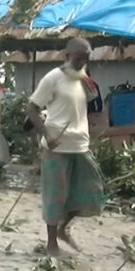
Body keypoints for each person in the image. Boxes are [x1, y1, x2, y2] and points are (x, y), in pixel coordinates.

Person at [26, 37, 105, 257]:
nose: (82, 63)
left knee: (89, 192)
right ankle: (52, 244)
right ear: (67, 57)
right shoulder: (53, 78)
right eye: (78, 59)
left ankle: (63, 228)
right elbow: (31, 109)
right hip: (56, 147)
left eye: (86, 59)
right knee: (55, 196)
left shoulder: (84, 80)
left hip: (80, 145)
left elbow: (88, 109)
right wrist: (47, 135)